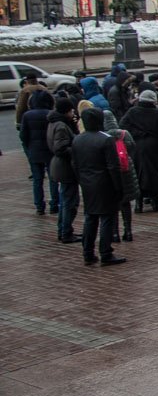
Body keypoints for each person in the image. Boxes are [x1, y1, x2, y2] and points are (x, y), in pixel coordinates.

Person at [71, 108, 126, 266]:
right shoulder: (106, 139)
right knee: (108, 217)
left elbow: (74, 164)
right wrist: (118, 187)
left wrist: (82, 180)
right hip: (104, 182)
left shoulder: (77, 140)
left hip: (87, 183)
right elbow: (113, 166)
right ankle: (105, 252)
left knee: (91, 217)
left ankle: (88, 252)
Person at [120, 91, 158, 212]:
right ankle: (155, 202)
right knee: (154, 173)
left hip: (137, 146)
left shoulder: (132, 112)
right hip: (154, 146)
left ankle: (139, 204)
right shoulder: (157, 113)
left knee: (139, 173)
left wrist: (136, 134)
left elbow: (122, 125)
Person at [103, 110, 139, 242]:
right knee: (125, 203)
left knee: (113, 204)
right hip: (126, 170)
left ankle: (114, 233)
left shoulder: (103, 136)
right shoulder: (124, 133)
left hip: (111, 172)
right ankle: (128, 231)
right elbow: (133, 148)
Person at [47, 96, 79, 243]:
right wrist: (77, 149)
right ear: (67, 111)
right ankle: (66, 232)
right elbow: (61, 148)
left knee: (67, 200)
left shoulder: (55, 123)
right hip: (65, 168)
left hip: (61, 166)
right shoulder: (60, 125)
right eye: (71, 110)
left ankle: (64, 230)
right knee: (69, 201)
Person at [19, 90, 55, 215]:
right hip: (50, 150)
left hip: (34, 151)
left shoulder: (27, 115)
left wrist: (29, 146)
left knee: (37, 179)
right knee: (53, 178)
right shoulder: (50, 113)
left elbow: (23, 135)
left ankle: (39, 206)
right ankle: (55, 203)